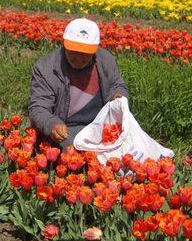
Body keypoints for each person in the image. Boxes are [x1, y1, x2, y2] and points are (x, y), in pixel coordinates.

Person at [29, 18, 129, 150]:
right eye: (73, 51)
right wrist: (52, 124)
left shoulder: (105, 60)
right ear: (64, 44)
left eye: (85, 54)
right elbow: (38, 107)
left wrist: (118, 97)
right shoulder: (46, 67)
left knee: (130, 143)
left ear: (94, 50)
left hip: (100, 124)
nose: (78, 58)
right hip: (68, 127)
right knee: (76, 150)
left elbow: (117, 85)